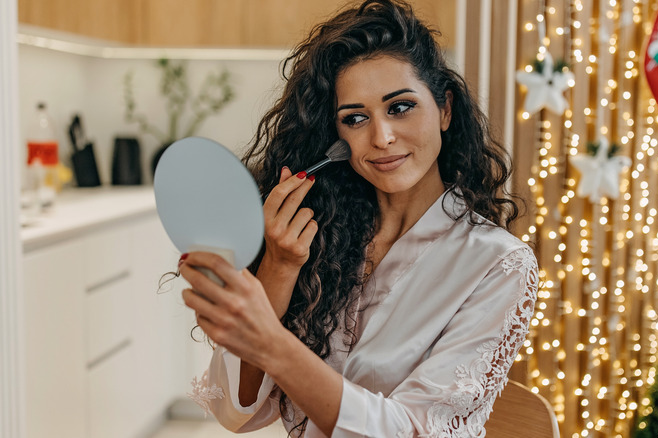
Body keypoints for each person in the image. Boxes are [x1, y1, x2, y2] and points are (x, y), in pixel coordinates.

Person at [179, 1, 538, 436]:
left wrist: (273, 345)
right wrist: (278, 265)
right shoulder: (323, 237)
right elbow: (237, 414)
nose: (382, 137)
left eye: (400, 107)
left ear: (445, 110)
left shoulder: (498, 265)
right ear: (337, 136)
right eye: (355, 118)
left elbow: (414, 431)